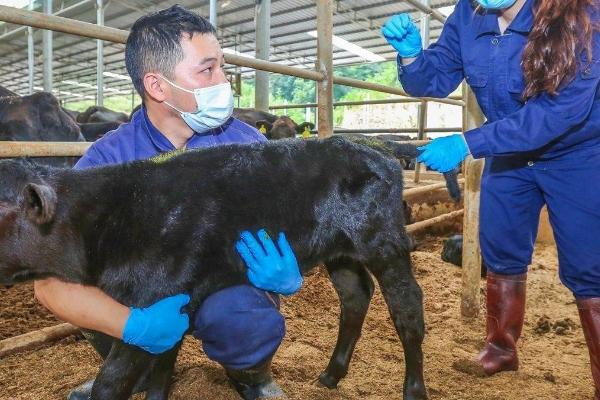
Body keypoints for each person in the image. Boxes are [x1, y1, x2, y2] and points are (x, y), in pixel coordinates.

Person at [33, 5, 303, 400]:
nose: (224, 82)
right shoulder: (107, 162)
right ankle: (135, 365)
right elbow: (50, 282)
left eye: (223, 68)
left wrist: (293, 262)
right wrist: (132, 325)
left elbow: (290, 222)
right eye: (208, 70)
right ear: (157, 87)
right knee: (95, 284)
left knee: (246, 322)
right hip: (141, 296)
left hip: (223, 286)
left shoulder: (249, 147)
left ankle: (251, 375)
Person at [382, 0, 600, 398]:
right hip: (510, 151)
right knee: (500, 249)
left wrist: (470, 141)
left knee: (591, 265)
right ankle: (501, 349)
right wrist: (413, 56)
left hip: (578, 153)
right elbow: (431, 81)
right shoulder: (468, 14)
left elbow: (557, 113)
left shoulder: (581, 13)